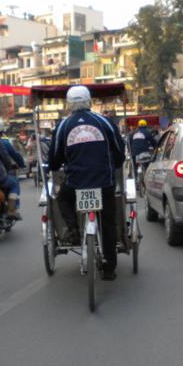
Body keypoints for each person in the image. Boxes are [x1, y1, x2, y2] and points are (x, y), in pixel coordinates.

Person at [48, 85, 126, 280]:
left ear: (69, 104)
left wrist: (57, 165)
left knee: (62, 198)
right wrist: (115, 164)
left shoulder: (63, 126)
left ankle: (73, 229)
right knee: (108, 223)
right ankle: (109, 268)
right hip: (104, 181)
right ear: (89, 101)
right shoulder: (105, 122)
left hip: (76, 183)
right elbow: (119, 151)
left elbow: (55, 158)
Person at [0, 117, 25, 217]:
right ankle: (12, 209)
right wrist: (20, 164)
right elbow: (13, 155)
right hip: (0, 174)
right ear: (1, 131)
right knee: (14, 183)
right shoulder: (3, 142)